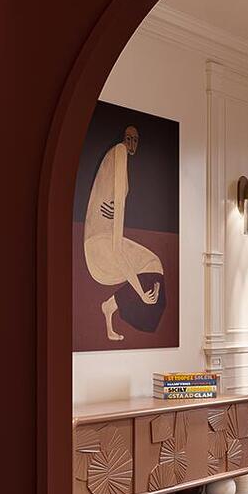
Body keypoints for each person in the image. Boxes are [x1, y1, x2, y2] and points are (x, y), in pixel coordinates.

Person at [83, 125, 163, 341]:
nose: (131, 144)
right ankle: (109, 306)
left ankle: (110, 306)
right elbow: (117, 248)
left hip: (99, 242)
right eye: (128, 138)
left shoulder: (115, 155)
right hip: (101, 246)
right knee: (153, 264)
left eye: (135, 139)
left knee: (152, 265)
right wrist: (140, 292)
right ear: (122, 138)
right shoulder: (119, 152)